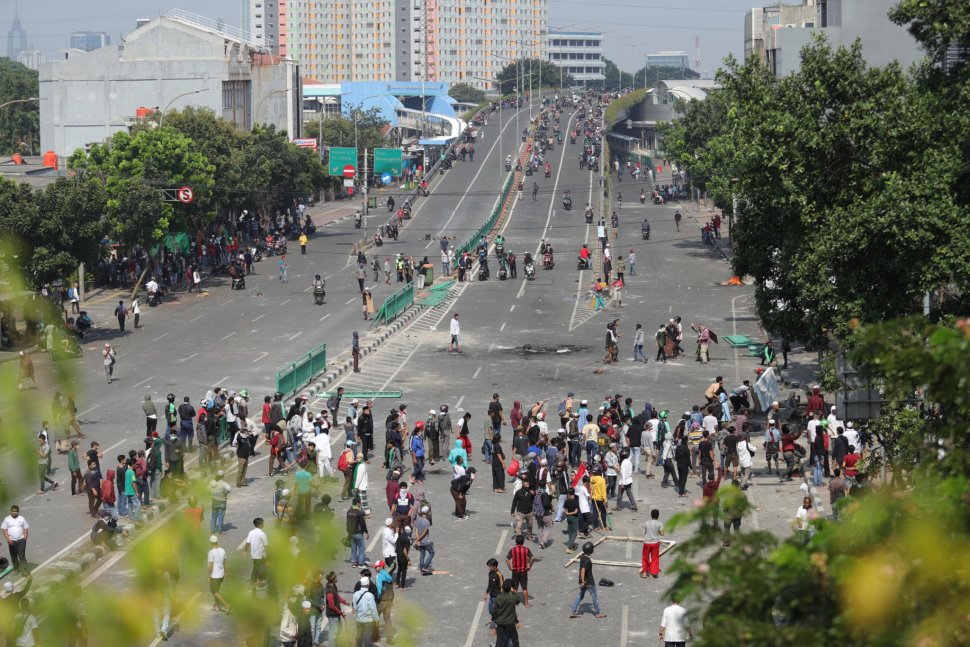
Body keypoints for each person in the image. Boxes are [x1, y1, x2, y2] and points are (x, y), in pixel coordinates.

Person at [569, 541, 606, 618]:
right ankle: (597, 613)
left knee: (580, 596)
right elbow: (583, 570)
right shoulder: (587, 560)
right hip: (588, 582)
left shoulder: (582, 557)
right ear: (591, 551)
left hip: (583, 582)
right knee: (595, 597)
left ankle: (573, 611)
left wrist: (581, 581)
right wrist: (583, 581)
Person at [506, 534, 535, 607]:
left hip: (515, 571)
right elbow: (533, 558)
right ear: (523, 542)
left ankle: (514, 603)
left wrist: (510, 567)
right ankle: (526, 604)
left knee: (514, 588)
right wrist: (529, 566)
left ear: (516, 541)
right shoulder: (526, 549)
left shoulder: (512, 550)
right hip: (523, 571)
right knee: (524, 588)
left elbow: (507, 559)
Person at [352, 576, 380, 647]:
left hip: (359, 619)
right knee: (367, 638)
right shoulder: (370, 595)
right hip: (368, 620)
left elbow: (354, 607)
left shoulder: (355, 594)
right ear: (368, 584)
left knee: (359, 636)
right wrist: (376, 619)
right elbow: (373, 609)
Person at [1, 505, 29, 575]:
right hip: (11, 541)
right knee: (13, 556)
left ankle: (25, 570)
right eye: (13, 511)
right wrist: (8, 539)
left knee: (21, 556)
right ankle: (16, 569)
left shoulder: (21, 518)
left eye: (15, 511)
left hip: (21, 540)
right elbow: (4, 530)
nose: (14, 512)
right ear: (11, 511)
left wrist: (25, 538)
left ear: (18, 512)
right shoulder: (7, 519)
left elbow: (26, 528)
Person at [207, 535, 231, 613]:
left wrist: (209, 576)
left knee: (214, 591)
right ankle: (216, 606)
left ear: (210, 543)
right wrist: (226, 572)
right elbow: (225, 562)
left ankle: (227, 605)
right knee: (217, 590)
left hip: (214, 575)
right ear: (217, 542)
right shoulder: (222, 550)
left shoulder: (211, 552)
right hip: (221, 574)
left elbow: (210, 565)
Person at [494, 579, 521, 647]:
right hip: (510, 622)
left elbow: (495, 611)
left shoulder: (498, 597)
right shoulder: (513, 597)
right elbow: (517, 601)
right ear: (510, 588)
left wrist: (494, 619)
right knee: (514, 638)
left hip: (500, 621)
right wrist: (513, 592)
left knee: (499, 639)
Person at [244, 517, 269, 584]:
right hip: (261, 554)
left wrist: (245, 551)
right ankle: (254, 580)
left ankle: (257, 580)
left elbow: (247, 543)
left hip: (253, 554)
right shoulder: (262, 534)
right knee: (258, 568)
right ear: (260, 525)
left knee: (257, 566)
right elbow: (266, 545)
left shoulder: (251, 532)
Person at [641, 509, 664, 579]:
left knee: (645, 558)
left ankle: (644, 573)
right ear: (658, 516)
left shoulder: (647, 523)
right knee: (654, 558)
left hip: (647, 542)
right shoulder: (660, 523)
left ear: (651, 515)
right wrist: (658, 532)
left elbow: (645, 532)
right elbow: (662, 534)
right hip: (655, 543)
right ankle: (652, 574)